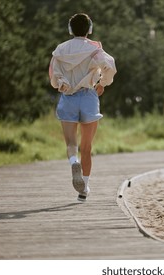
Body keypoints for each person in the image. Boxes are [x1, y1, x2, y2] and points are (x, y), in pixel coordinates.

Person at [49, 13, 116, 202]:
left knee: (71, 144)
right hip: (88, 97)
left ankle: (73, 162)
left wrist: (62, 83)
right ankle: (83, 189)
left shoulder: (60, 50)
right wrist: (103, 82)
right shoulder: (94, 49)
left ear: (70, 30)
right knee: (87, 147)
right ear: (90, 29)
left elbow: (54, 77)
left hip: (68, 97)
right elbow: (110, 65)